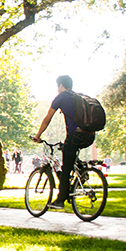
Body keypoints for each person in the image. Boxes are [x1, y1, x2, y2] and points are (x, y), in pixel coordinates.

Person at [32, 75, 95, 210]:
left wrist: (38, 135)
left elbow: (47, 118)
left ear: (61, 85)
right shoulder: (78, 97)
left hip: (75, 135)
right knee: (68, 152)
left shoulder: (61, 97)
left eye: (57, 86)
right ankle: (82, 171)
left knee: (66, 168)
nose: (57, 89)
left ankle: (60, 200)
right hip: (89, 135)